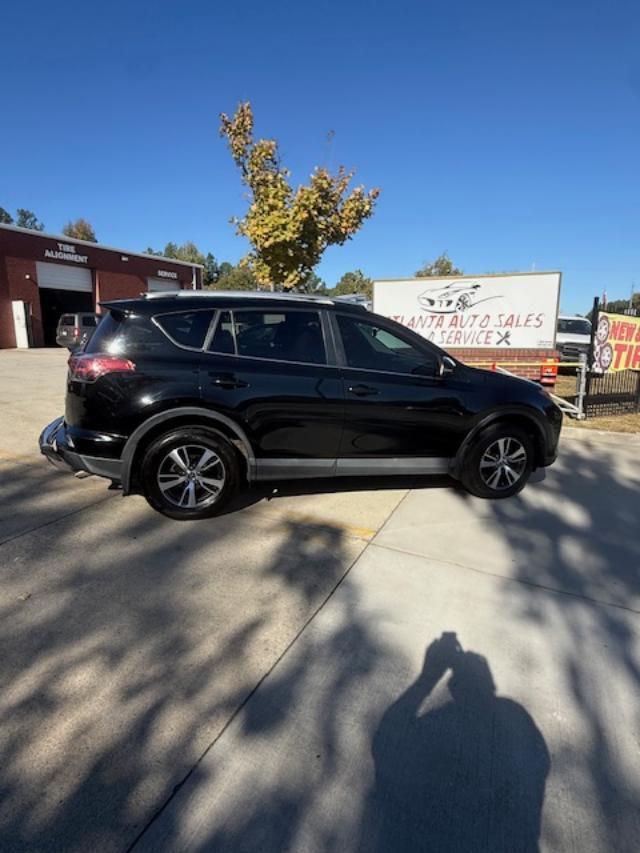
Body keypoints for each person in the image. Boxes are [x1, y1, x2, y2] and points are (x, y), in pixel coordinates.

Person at [359, 633, 550, 853]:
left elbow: (384, 745)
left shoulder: (442, 728)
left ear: (454, 688)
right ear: (490, 686)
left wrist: (427, 678)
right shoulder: (516, 719)